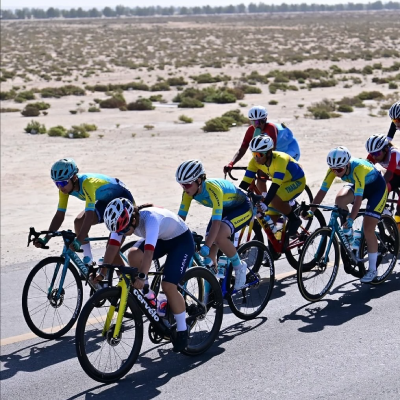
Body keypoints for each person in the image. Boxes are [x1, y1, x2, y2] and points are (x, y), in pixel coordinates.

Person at [100, 197, 195, 353]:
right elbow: (111, 249)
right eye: (118, 232)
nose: (121, 234)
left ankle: (182, 331)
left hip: (181, 241)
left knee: (168, 286)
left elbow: (149, 253)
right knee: (133, 255)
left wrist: (142, 277)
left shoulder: (150, 219)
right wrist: (101, 273)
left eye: (123, 231)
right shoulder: (121, 223)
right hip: (162, 238)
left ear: (132, 219)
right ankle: (148, 294)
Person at [33, 158, 134, 267]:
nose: (60, 187)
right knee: (79, 222)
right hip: (106, 202)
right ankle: (88, 262)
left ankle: (125, 277)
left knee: (111, 250)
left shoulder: (87, 183)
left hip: (123, 199)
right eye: (56, 183)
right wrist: (46, 238)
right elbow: (59, 215)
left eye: (63, 182)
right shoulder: (64, 189)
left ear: (74, 178)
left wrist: (79, 241)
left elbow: (89, 216)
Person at [309, 146, 387, 283]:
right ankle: (350, 235)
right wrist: (311, 211)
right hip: (359, 184)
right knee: (340, 200)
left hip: (376, 189)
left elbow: (358, 200)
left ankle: (372, 270)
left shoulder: (358, 168)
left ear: (347, 164)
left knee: (368, 229)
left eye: (339, 170)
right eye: (333, 169)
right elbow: (322, 192)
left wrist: (351, 219)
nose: (336, 173)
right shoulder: (334, 169)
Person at [176, 159, 251, 288]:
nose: (184, 188)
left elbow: (216, 224)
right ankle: (213, 287)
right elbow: (180, 218)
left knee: (218, 237)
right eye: (181, 185)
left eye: (187, 185)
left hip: (242, 207)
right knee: (209, 259)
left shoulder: (213, 190)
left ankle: (239, 266)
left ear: (199, 180)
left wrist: (207, 245)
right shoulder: (188, 192)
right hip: (224, 208)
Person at [223, 105, 301, 193]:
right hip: (271, 152)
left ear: (266, 119)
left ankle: (287, 199)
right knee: (261, 177)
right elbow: (242, 150)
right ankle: (263, 198)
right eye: (254, 122)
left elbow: (271, 150)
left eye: (261, 121)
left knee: (278, 176)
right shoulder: (250, 130)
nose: (258, 125)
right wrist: (231, 163)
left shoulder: (271, 128)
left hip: (289, 150)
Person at [238, 135, 305, 237]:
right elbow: (245, 183)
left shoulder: (280, 159)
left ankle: (294, 219)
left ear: (269, 153)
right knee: (272, 226)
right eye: (254, 154)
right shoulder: (254, 162)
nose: (256, 158)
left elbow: (275, 185)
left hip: (296, 181)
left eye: (259, 154)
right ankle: (280, 240)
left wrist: (265, 203)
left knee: (274, 200)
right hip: (282, 183)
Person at [365, 134, 400, 231]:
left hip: (392, 173)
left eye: (376, 154)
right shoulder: (374, 154)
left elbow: (388, 174)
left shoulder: (394, 153)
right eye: (371, 153)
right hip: (397, 175)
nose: (374, 156)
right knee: (383, 190)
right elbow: (364, 170)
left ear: (385, 149)